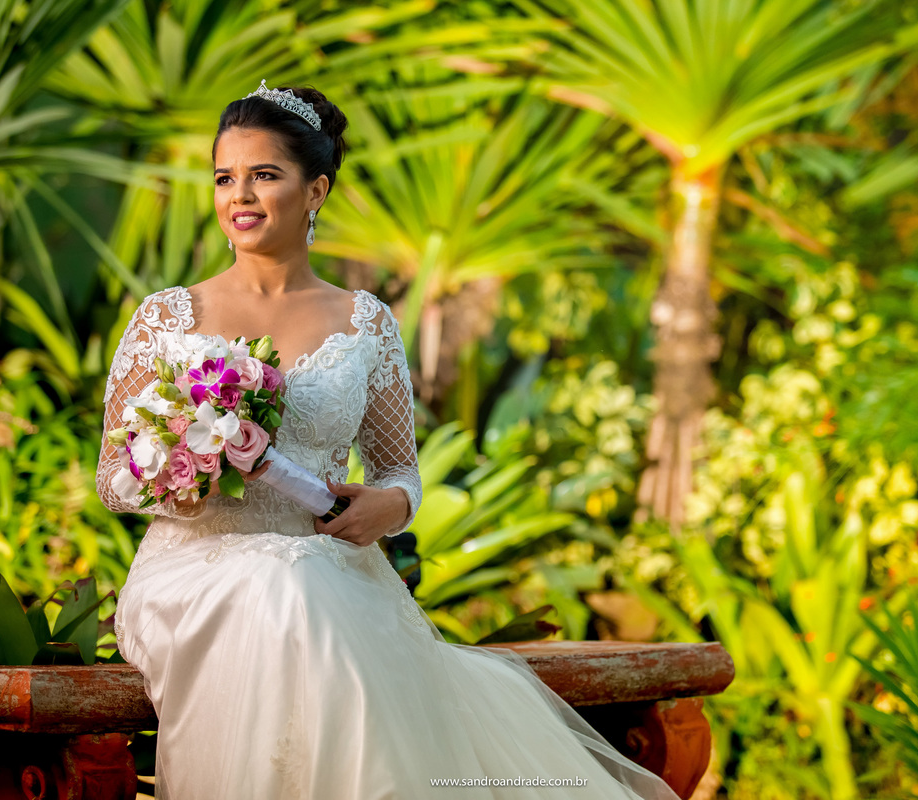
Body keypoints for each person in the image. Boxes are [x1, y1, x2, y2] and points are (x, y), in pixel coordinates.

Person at [99, 80, 682, 800]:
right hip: (192, 574)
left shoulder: (365, 324)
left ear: (316, 191)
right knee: (282, 590)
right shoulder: (168, 318)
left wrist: (390, 508)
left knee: (298, 590)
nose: (239, 196)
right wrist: (189, 472)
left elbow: (400, 469)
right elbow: (111, 479)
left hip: (332, 574)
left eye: (265, 175)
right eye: (225, 178)